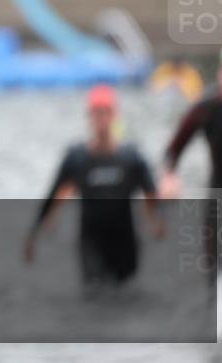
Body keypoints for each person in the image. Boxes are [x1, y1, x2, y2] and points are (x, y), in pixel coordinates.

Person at [24, 85, 164, 286]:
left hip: (124, 241)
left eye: (105, 113)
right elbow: (54, 195)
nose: (100, 119)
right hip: (91, 241)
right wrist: (34, 233)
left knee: (124, 292)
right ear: (88, 117)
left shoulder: (131, 158)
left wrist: (157, 221)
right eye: (96, 113)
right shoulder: (76, 158)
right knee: (94, 292)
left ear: (114, 116)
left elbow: (151, 193)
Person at [160, 34, 222, 277]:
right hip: (220, 209)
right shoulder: (206, 109)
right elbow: (172, 151)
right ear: (221, 74)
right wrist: (169, 176)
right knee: (217, 283)